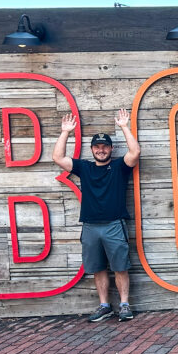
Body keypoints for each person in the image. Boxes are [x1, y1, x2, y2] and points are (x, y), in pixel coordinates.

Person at [52, 109, 141, 322]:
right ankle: (104, 305)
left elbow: (135, 152)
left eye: (105, 147)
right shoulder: (85, 167)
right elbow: (58, 157)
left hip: (114, 225)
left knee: (120, 266)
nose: (101, 150)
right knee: (97, 267)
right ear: (92, 149)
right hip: (90, 227)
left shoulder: (120, 166)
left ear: (110, 148)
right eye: (97, 147)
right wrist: (65, 132)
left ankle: (125, 305)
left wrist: (124, 127)